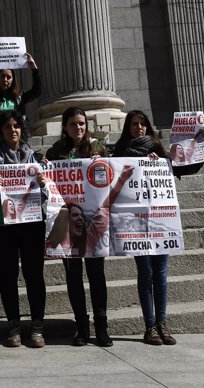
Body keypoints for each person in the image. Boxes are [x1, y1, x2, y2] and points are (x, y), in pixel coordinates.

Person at [45, 106, 117, 347]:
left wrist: (103, 162)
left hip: (93, 219)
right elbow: (49, 185)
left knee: (97, 274)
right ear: (65, 126)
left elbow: (110, 177)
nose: (79, 128)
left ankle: (102, 327)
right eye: (74, 124)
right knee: (73, 276)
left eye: (82, 123)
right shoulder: (55, 152)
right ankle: (82, 328)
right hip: (68, 221)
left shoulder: (97, 147)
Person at [0, 110, 48, 348]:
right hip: (2, 225)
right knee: (7, 277)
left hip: (31, 223)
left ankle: (37, 326)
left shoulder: (34, 157)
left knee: (34, 275)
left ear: (22, 129)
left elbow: (47, 194)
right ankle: (14, 326)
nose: (13, 130)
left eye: (16, 126)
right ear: (1, 131)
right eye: (8, 127)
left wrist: (43, 185)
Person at [112, 109, 175, 346]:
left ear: (148, 127)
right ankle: (149, 325)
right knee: (145, 272)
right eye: (134, 124)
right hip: (136, 222)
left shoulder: (159, 151)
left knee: (160, 273)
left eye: (142, 124)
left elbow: (185, 168)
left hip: (161, 220)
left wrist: (202, 140)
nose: (139, 128)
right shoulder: (121, 155)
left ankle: (163, 323)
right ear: (128, 128)